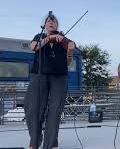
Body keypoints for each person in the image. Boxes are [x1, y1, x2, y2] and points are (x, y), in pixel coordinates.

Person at [24, 13, 75, 149]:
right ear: (45, 25)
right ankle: (34, 141)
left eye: (54, 21)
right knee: (33, 109)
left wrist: (70, 52)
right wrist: (50, 38)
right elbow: (34, 47)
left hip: (59, 76)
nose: (51, 22)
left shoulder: (64, 39)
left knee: (55, 110)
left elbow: (68, 62)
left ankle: (50, 144)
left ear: (57, 25)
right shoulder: (39, 36)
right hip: (39, 75)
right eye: (48, 21)